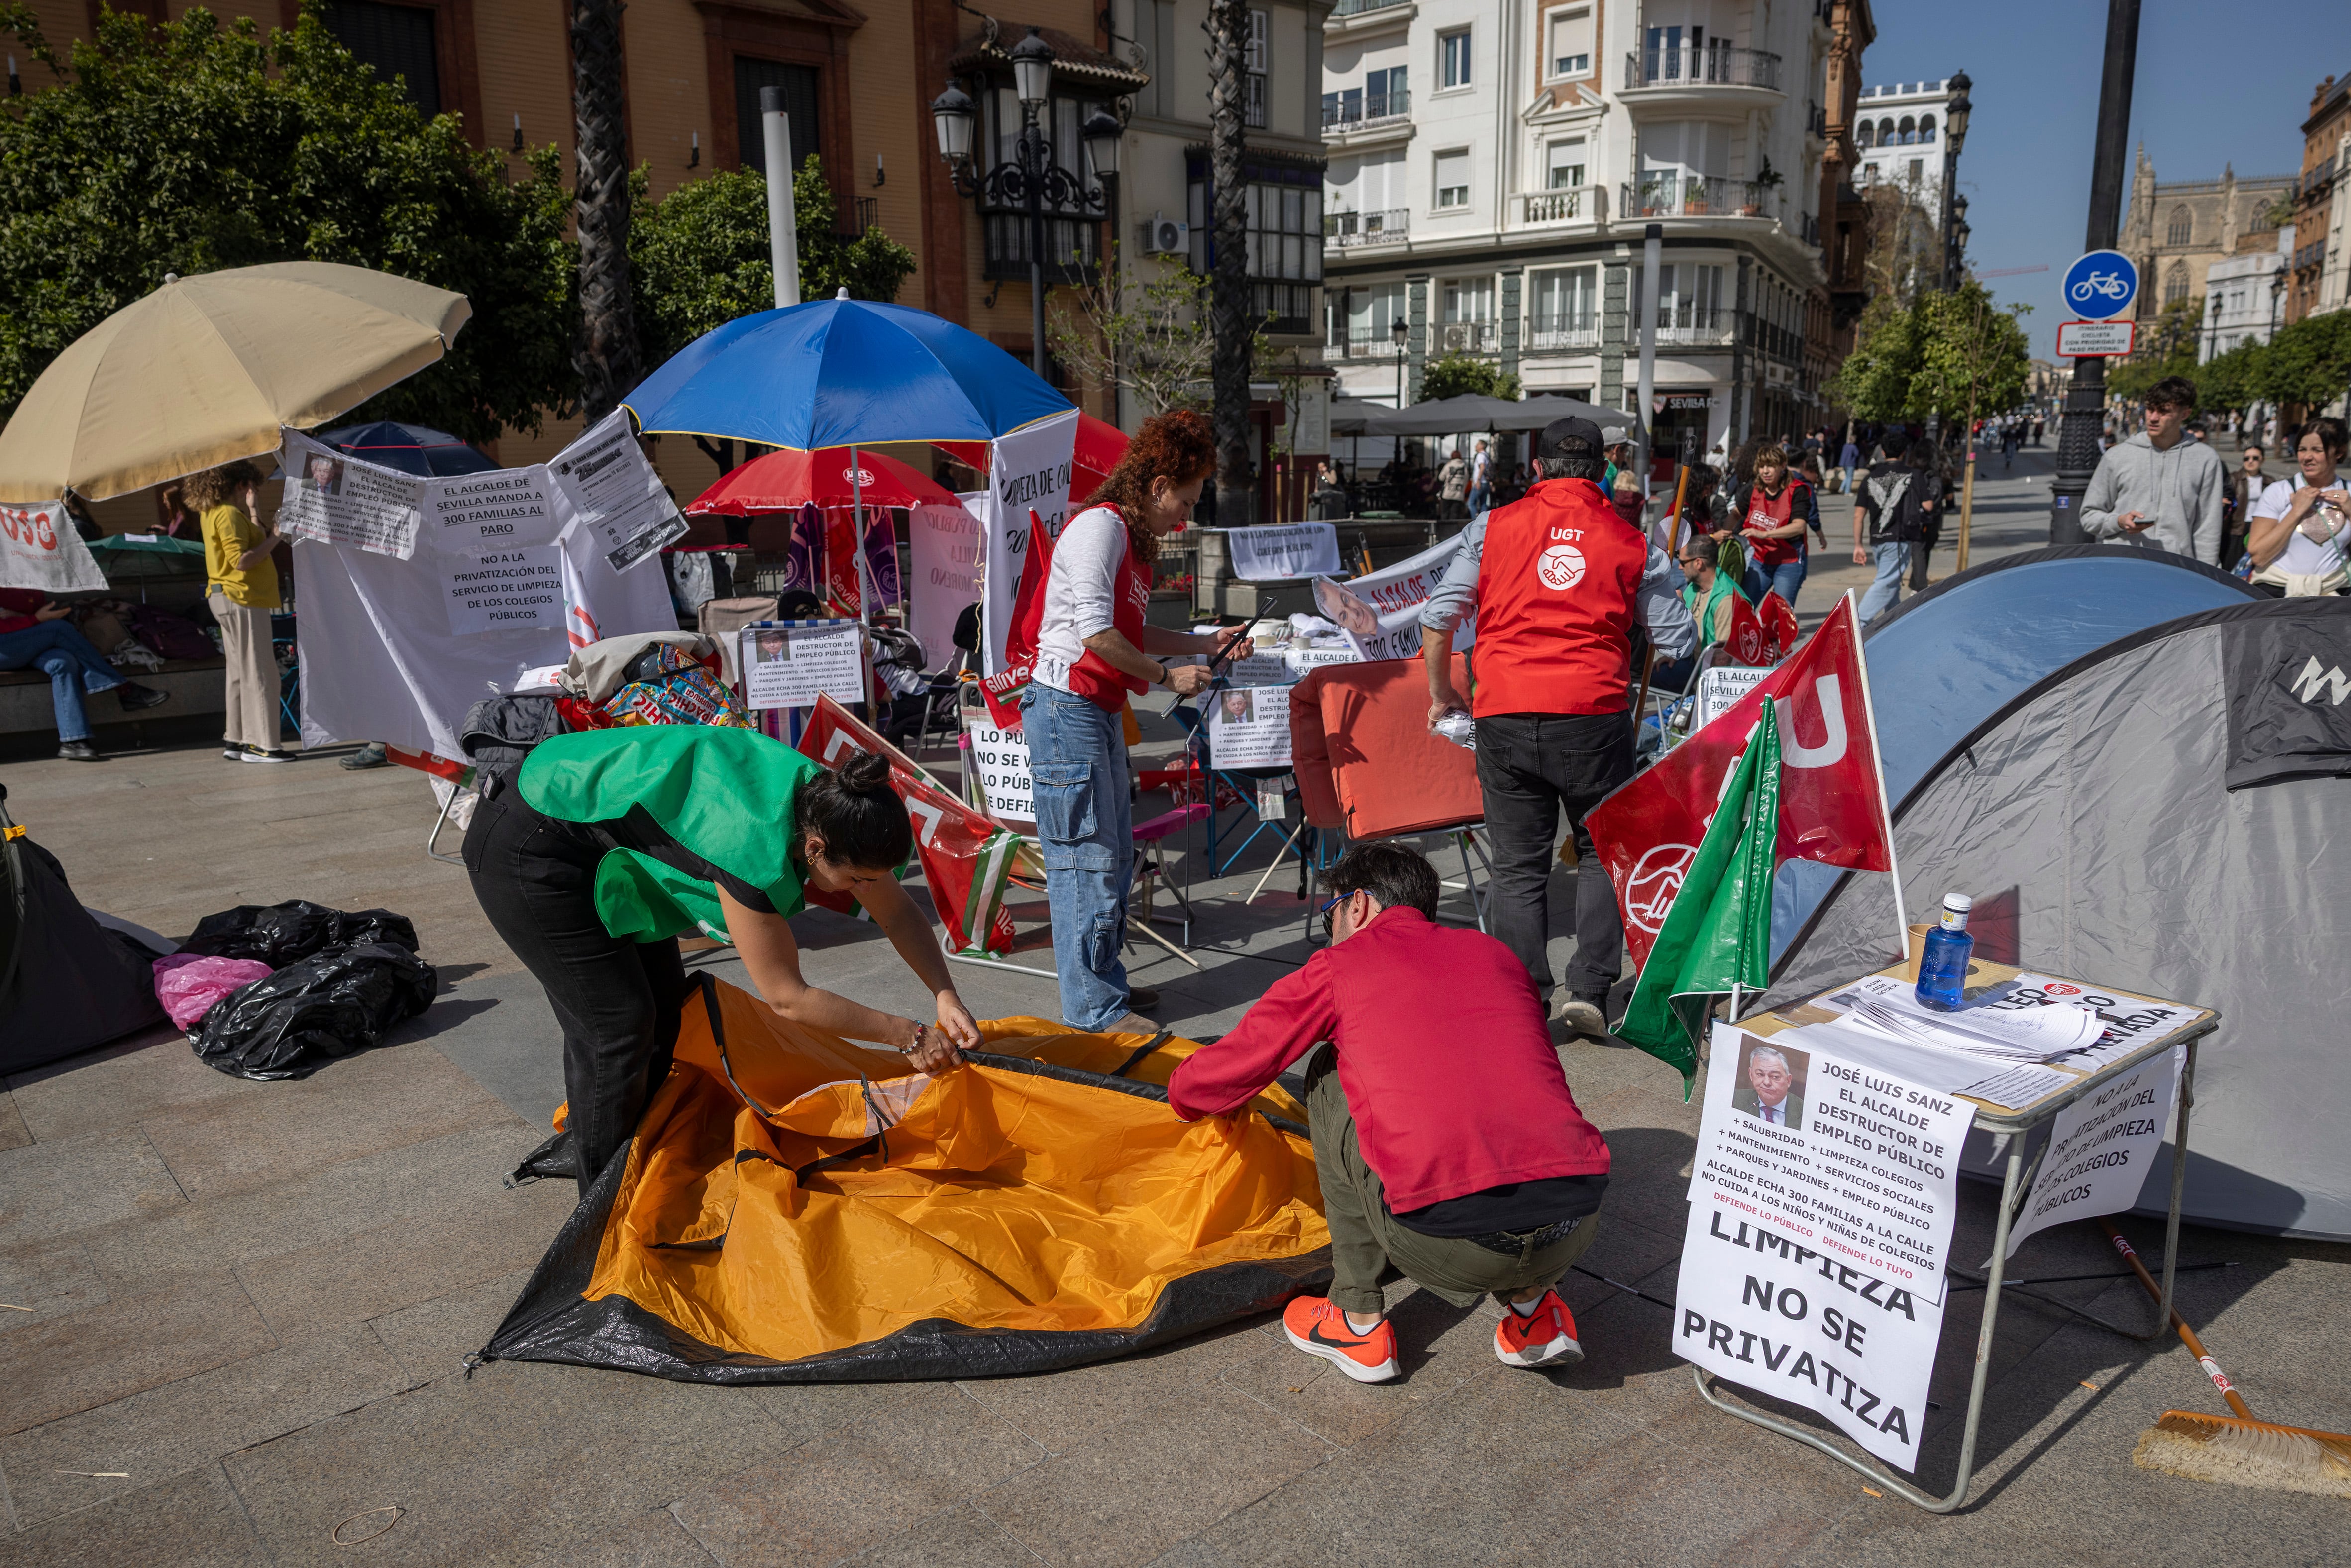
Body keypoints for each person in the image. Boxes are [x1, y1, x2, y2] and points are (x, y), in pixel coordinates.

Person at [1167, 843, 1611, 1382]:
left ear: (1357, 905)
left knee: (1329, 1072)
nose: (1330, 926)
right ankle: (1537, 1311)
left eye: (1329, 912)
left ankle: (1356, 1321)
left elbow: (1232, 1068)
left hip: (1446, 1240)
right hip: (1575, 1226)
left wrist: (1178, 1095)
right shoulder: (1494, 953)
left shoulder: (1339, 965)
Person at [465, 732, 977, 1191]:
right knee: (617, 1026)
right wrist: (907, 1035)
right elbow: (788, 997)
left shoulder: (836, 807)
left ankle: (611, 1147)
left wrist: (944, 993)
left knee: (664, 1009)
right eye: (857, 881)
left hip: (584, 818)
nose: (866, 892)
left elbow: (898, 911)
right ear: (816, 849)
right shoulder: (749, 849)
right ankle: (599, 1211)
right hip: (527, 842)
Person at [1419, 417, 1697, 1038]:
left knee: (1518, 865)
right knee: (1600, 853)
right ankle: (1591, 989)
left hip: (1503, 710)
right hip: (1592, 715)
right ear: (1602, 471)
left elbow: (1438, 619)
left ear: (1537, 470)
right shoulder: (1629, 540)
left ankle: (1521, 1001)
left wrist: (1442, 695)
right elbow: (1678, 639)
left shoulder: (1489, 528)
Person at [1024, 410, 1241, 1032]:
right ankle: (1093, 1008)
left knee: (1114, 855)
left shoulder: (1126, 538)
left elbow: (1129, 629)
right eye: (1185, 498)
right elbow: (1096, 635)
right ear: (1154, 484)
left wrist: (1204, 644)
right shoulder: (1101, 529)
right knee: (1086, 858)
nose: (1186, 515)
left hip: (1089, 709)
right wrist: (1166, 677)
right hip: (1067, 708)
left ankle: (1104, 985)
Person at [189, 461, 294, 763]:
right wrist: (276, 537)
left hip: (224, 597)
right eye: (252, 486)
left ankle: (235, 739)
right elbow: (243, 560)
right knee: (261, 672)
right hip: (242, 597)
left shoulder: (212, 512)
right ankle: (264, 745)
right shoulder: (229, 514)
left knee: (238, 672)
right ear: (240, 484)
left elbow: (251, 538)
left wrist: (254, 510)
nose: (254, 491)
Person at [0, 590, 169, 760]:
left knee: (64, 663)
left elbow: (39, 613)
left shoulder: (32, 581)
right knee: (59, 630)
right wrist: (33, 619)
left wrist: (25, 617)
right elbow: (37, 621)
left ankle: (74, 742)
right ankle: (124, 689)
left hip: (26, 642)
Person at [2081, 376, 2225, 563]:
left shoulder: (2205, 459)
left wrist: (2207, 577)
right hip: (2121, 565)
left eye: (2164, 412)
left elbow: (2208, 528)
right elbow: (2089, 516)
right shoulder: (2118, 456)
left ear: (2185, 414)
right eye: (2150, 409)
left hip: (2176, 569)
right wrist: (2118, 521)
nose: (2154, 418)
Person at [2244, 418, 2351, 597]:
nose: (2307, 457)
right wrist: (2296, 512)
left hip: (2336, 593)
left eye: (2317, 450)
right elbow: (2259, 556)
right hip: (2276, 593)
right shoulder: (2278, 491)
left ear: (2338, 452)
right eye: (2302, 450)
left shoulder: (2348, 492)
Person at [1852, 431, 1935, 627]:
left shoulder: (1870, 478)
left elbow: (1858, 515)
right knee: (1886, 582)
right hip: (1899, 537)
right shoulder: (1914, 475)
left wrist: (1858, 545)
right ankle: (1857, 624)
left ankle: (1894, 624)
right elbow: (1929, 505)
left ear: (1882, 451)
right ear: (1905, 452)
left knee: (1891, 584)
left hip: (1877, 538)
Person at [1730, 443, 1816, 607]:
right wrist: (1725, 533)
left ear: (1783, 466)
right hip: (1760, 560)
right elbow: (1735, 514)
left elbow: (1799, 526)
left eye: (1770, 466)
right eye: (1762, 466)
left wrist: (1764, 534)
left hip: (1788, 562)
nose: (1765, 471)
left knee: (1780, 614)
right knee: (1744, 607)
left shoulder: (1797, 491)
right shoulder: (1753, 490)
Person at [1732, 1044, 1805, 1128]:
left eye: (1775, 1077)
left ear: (1788, 1080)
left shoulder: (1804, 1112)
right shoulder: (1735, 1100)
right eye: (1760, 1074)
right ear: (1751, 1075)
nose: (1767, 1083)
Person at [2224, 443, 2266, 569]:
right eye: (2247, 458)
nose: (2251, 461)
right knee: (2231, 563)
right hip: (2237, 526)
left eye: (2255, 458)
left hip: (2258, 526)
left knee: (2252, 563)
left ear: (2263, 460)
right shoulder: (2233, 478)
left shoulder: (2269, 481)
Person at [1438, 447, 1469, 521]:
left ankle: (1444, 530)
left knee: (1445, 513)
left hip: (1448, 493)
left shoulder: (1448, 465)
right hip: (1459, 493)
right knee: (1454, 514)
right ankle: (1453, 530)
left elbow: (1441, 478)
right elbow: (1466, 480)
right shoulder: (1464, 467)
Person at [1468, 438, 1492, 516]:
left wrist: (1478, 480)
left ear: (1482, 446)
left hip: (1481, 482)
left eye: (1477, 444)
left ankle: (1475, 521)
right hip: (1486, 483)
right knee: (1483, 503)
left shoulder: (1480, 455)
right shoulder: (1486, 455)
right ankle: (1483, 521)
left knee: (1471, 503)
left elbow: (1482, 467)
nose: (1476, 446)